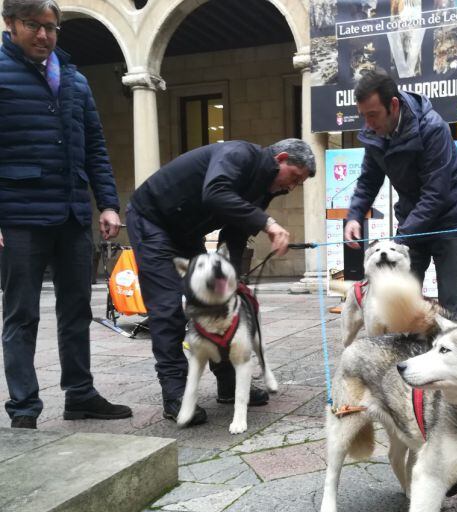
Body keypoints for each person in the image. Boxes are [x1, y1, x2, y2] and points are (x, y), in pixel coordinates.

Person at [0, 0, 132, 429]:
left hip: (72, 213)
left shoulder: (74, 79)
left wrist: (107, 203)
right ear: (9, 24)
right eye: (32, 25)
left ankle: (80, 394)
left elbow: (95, 146)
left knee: (76, 308)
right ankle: (24, 409)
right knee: (22, 314)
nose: (43, 35)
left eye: (51, 27)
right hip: (19, 216)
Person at [126, 138, 315, 425]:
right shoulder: (237, 154)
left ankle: (228, 384)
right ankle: (175, 394)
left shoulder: (264, 189)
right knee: (166, 309)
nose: (291, 188)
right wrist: (268, 223)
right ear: (282, 158)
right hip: (152, 221)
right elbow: (214, 192)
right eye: (295, 178)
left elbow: (235, 233)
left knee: (222, 302)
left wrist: (233, 277)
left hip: (186, 234)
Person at [343, 69, 457, 314]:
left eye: (373, 115)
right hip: (412, 216)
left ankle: (451, 346)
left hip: (449, 217)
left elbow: (436, 193)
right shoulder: (374, 133)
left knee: (450, 304)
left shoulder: (433, 128)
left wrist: (400, 237)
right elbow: (368, 180)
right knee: (404, 299)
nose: (368, 124)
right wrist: (355, 215)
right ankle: (408, 349)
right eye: (363, 116)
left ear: (393, 105)